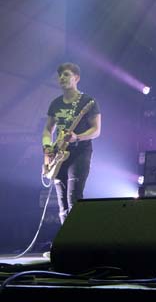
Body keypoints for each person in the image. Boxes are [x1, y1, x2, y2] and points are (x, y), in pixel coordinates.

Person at [42, 62, 101, 224]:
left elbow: (96, 130)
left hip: (80, 152)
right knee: (62, 202)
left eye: (66, 74)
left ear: (76, 78)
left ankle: (77, 241)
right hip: (59, 155)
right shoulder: (55, 103)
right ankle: (64, 242)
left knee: (73, 198)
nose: (62, 77)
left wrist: (78, 137)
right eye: (60, 75)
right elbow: (48, 130)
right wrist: (47, 146)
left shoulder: (88, 102)